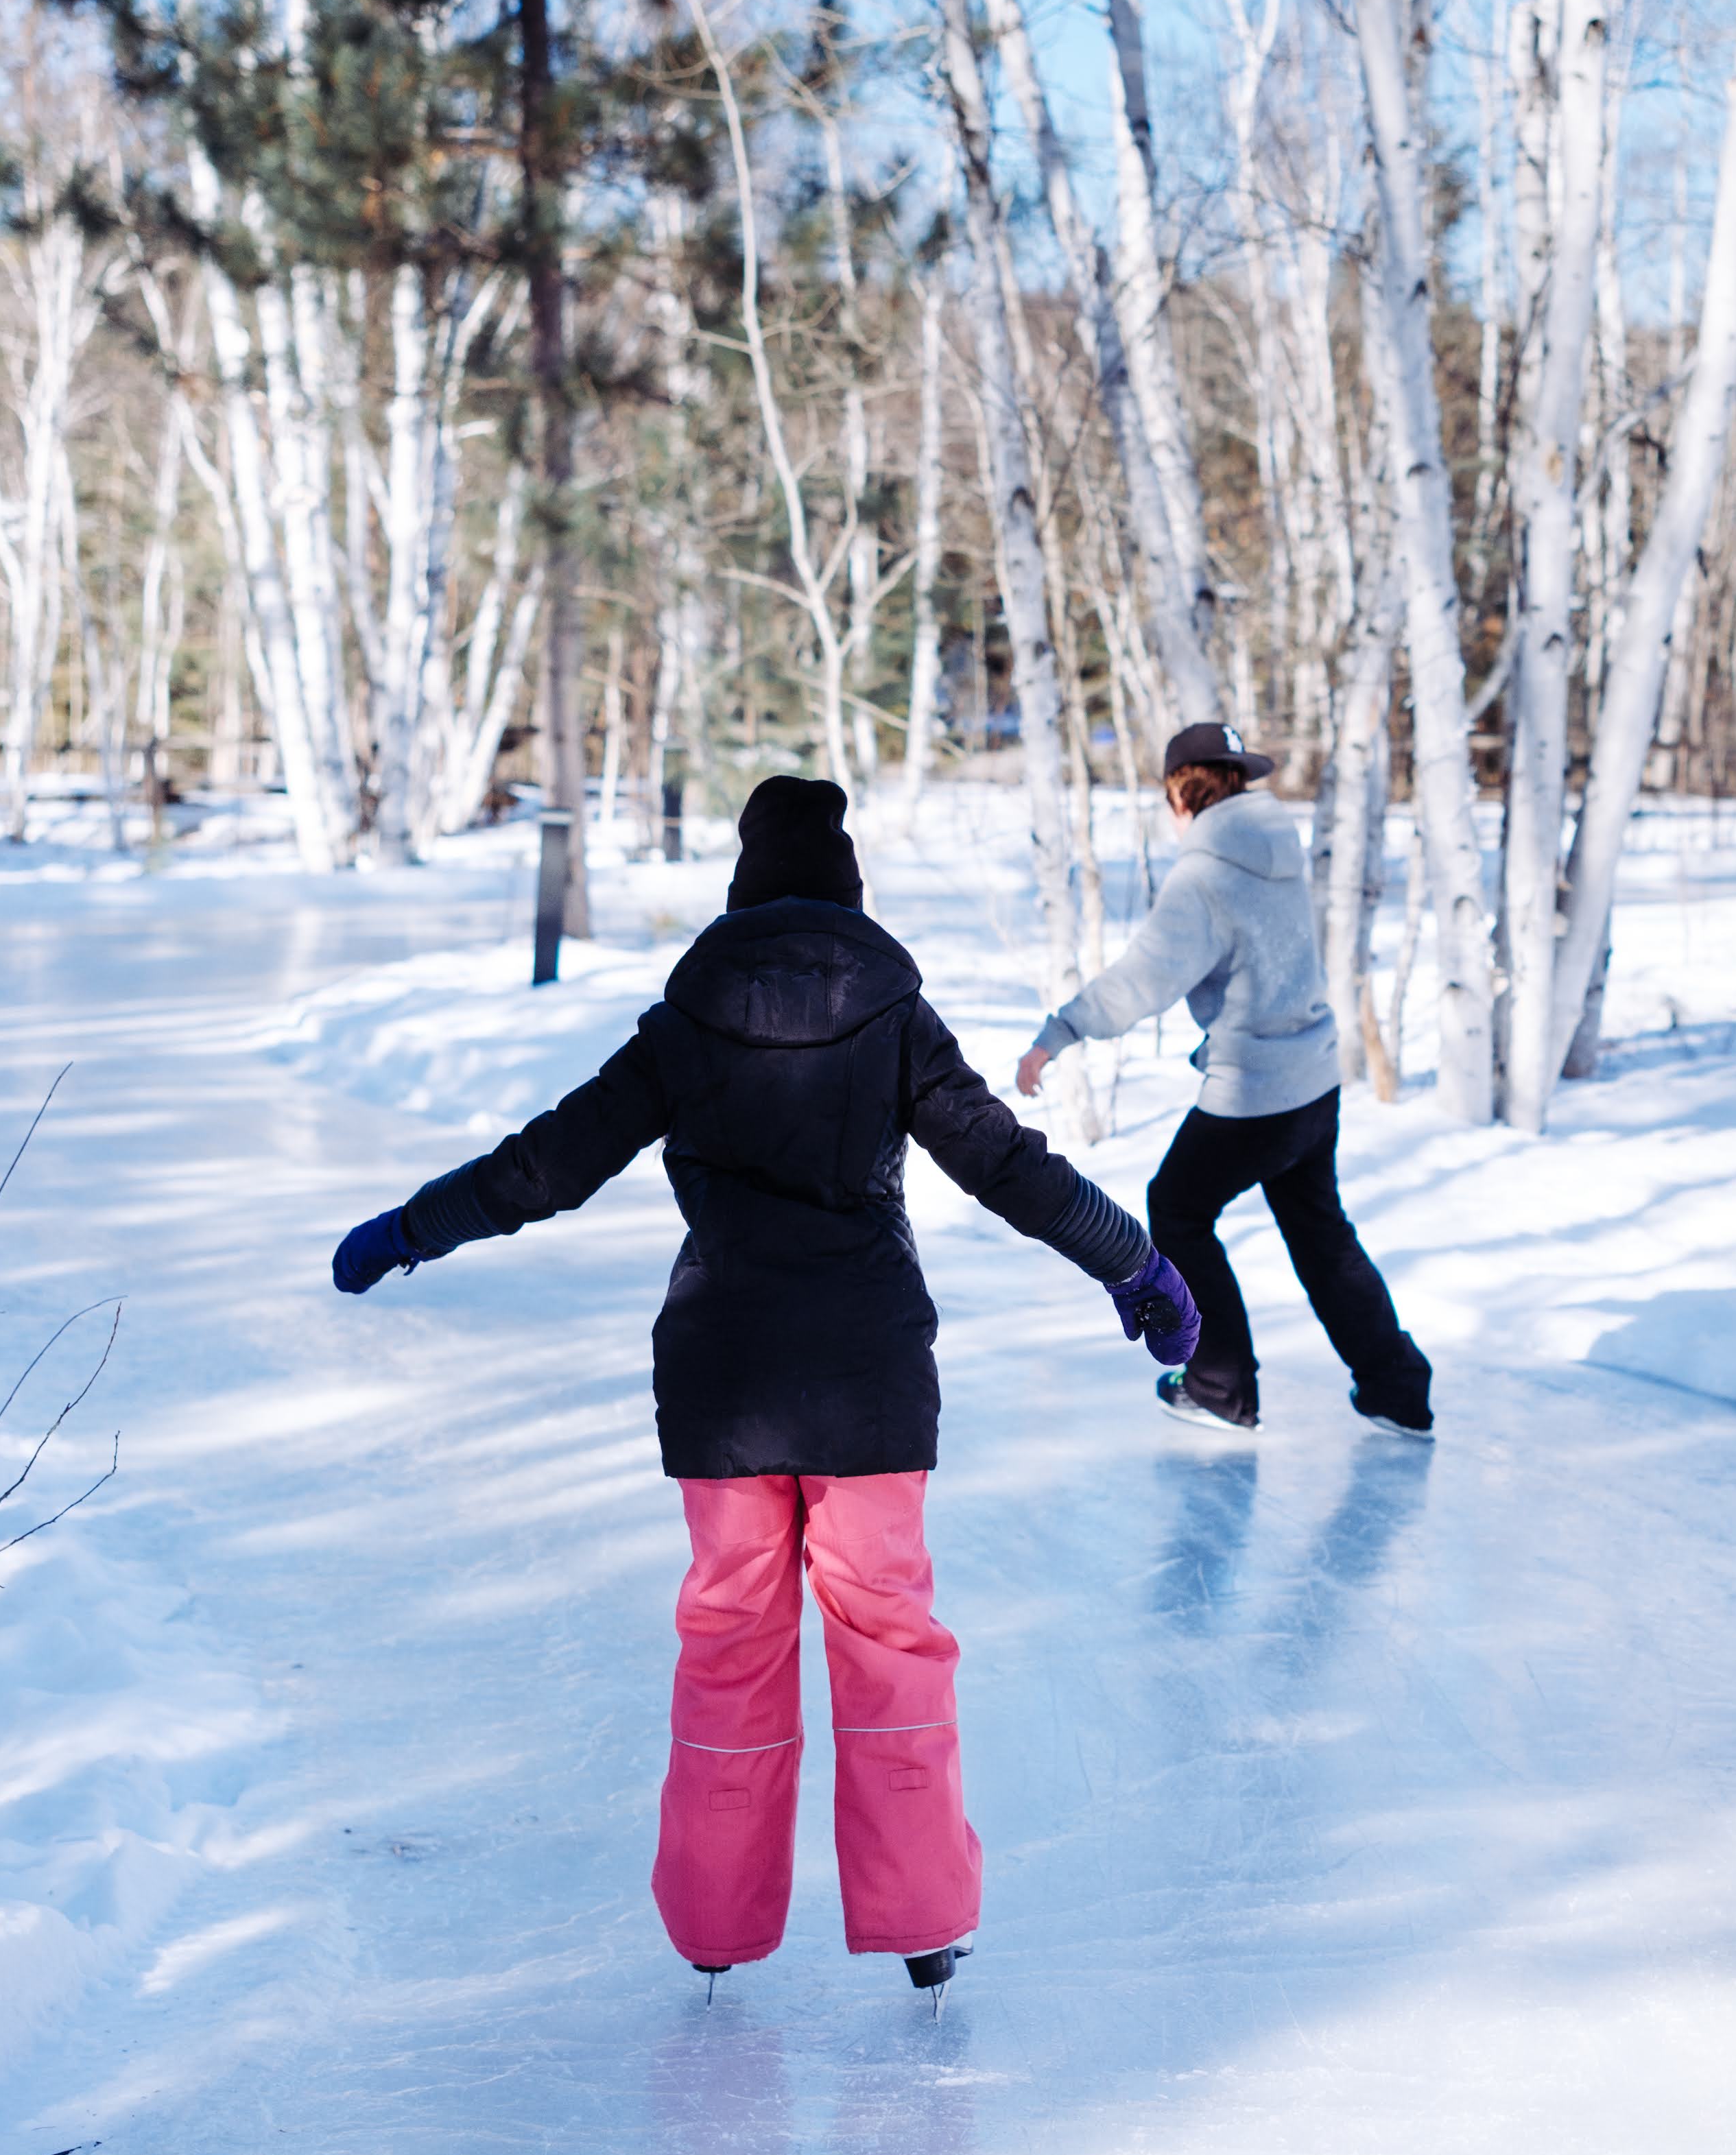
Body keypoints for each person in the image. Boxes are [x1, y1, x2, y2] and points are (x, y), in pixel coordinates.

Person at [329, 776, 1200, 1999]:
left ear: (744, 891)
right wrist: (1132, 1257)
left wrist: (412, 1229)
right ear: (848, 889)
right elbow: (1004, 1163)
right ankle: (920, 1921)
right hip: (868, 1387)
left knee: (730, 1641)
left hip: (724, 1381)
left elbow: (551, 1161)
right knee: (887, 1639)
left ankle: (714, 1923)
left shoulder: (690, 1017)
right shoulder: (891, 1009)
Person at [1015, 720, 1433, 1441]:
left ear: (1182, 789)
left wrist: (1058, 1032)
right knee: (1320, 1234)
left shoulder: (1203, 875)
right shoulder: (1277, 847)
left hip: (1255, 1094)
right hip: (1313, 1081)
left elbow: (1142, 979)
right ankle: (1397, 1387)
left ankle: (1219, 1384)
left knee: (1175, 1209)